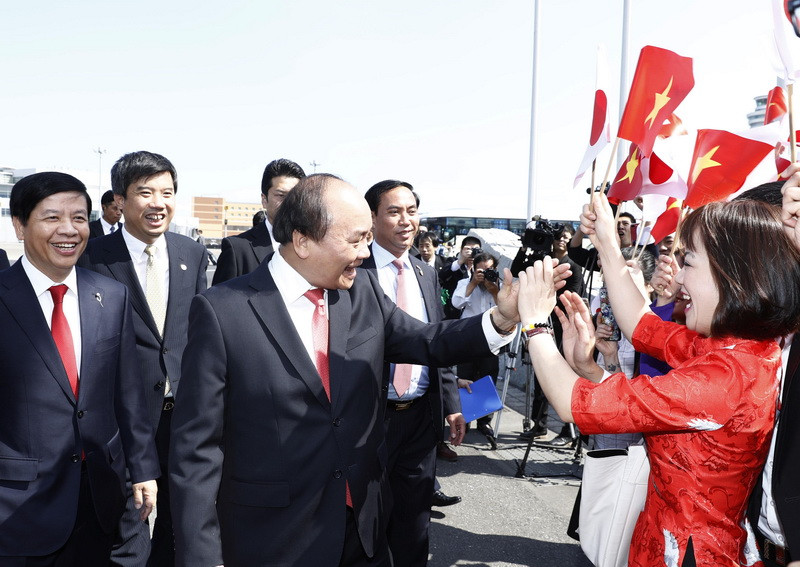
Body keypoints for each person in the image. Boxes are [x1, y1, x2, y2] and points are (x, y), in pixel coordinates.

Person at [169, 174, 544, 567]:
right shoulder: (222, 311)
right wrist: (201, 557)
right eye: (355, 239)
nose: (366, 253)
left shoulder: (360, 292)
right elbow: (196, 451)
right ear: (302, 240)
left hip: (362, 531)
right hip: (273, 538)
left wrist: (501, 318)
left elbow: (428, 341)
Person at [517, 192, 800, 566]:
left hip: (683, 554)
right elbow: (643, 327)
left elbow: (572, 404)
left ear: (736, 276)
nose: (678, 277)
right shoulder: (742, 350)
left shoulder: (725, 378)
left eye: (690, 263)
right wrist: (606, 242)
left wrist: (535, 322)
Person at [0, 171, 158, 564]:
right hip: (17, 510)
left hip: (103, 502)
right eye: (52, 218)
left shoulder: (110, 295)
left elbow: (128, 394)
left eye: (79, 217)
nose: (69, 230)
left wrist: (143, 469)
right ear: (19, 225)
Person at [79, 151, 208, 566]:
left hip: (183, 415)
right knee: (126, 526)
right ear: (120, 201)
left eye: (167, 193)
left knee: (180, 524)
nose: (159, 203)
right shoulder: (92, 257)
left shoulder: (192, 252)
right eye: (145, 192)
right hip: (120, 420)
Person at [361, 180, 464, 566]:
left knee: (414, 524)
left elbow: (438, 341)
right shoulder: (354, 271)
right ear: (372, 218)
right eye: (394, 211)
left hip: (421, 417)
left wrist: (452, 403)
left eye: (412, 211)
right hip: (370, 419)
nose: (406, 221)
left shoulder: (425, 272)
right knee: (367, 521)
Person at [212, 158, 306, 285]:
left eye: (295, 196)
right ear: (264, 200)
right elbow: (219, 301)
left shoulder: (316, 245)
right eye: (280, 195)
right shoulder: (238, 250)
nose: (289, 203)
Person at [452, 251, 502, 449]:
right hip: (467, 339)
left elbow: (507, 308)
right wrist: (473, 283)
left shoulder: (500, 286)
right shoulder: (465, 283)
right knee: (466, 377)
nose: (485, 274)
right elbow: (456, 303)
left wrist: (494, 290)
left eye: (490, 270)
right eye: (482, 270)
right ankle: (465, 418)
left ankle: (484, 421)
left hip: (491, 340)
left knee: (488, 378)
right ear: (473, 268)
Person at [439, 235, 482, 319]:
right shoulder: (454, 263)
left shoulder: (480, 269)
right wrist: (461, 260)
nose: (472, 253)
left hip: (472, 315)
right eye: (469, 249)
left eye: (476, 250)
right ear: (461, 250)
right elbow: (441, 276)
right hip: (452, 314)